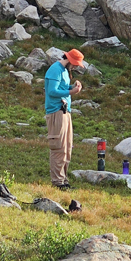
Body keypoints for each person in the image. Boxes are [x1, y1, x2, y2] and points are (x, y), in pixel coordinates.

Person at [44, 49, 84, 190]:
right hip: (56, 111)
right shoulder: (55, 69)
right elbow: (52, 91)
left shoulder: (65, 71)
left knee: (67, 147)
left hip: (65, 111)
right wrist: (71, 92)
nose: (75, 67)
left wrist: (72, 87)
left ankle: (64, 180)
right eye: (75, 64)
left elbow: (62, 87)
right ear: (70, 61)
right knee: (58, 147)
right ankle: (58, 182)